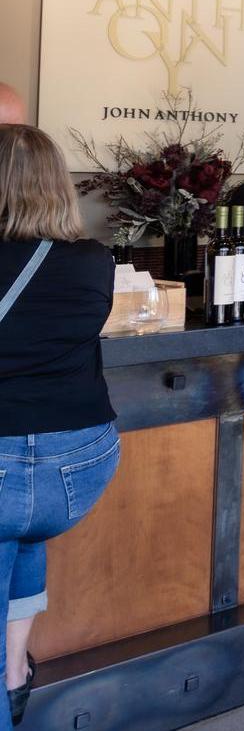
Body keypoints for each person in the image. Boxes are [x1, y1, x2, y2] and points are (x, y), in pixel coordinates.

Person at [0, 125, 123, 729]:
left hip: (3, 464)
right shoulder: (93, 261)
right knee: (22, 533)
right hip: (77, 467)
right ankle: (15, 672)